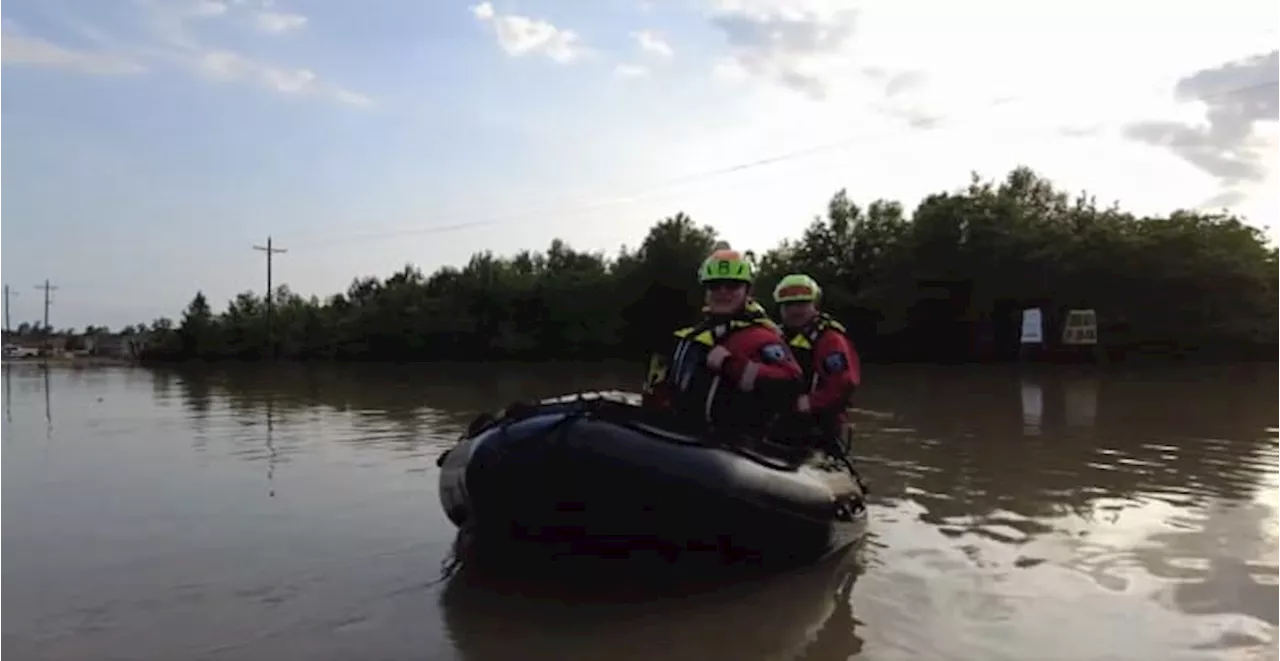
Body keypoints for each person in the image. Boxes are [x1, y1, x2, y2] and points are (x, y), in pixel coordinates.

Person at [642, 244, 805, 437]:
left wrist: (731, 365)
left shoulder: (762, 336)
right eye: (714, 286)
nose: (722, 292)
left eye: (732, 285)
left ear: (747, 291)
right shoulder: (692, 336)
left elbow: (791, 383)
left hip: (734, 449)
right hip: (685, 442)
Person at [772, 274, 862, 454]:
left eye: (802, 304)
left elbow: (843, 384)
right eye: (789, 305)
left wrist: (811, 402)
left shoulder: (830, 339)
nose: (795, 310)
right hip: (780, 425)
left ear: (814, 305)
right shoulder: (775, 337)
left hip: (818, 429)